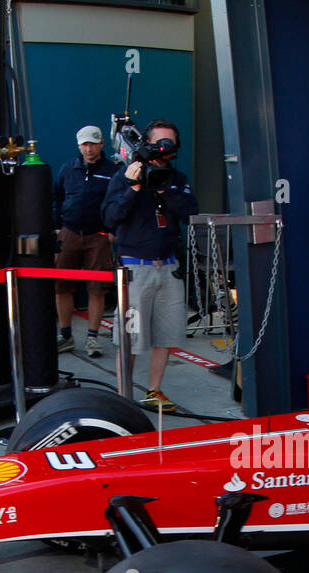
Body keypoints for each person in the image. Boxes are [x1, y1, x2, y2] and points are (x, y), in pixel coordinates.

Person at [101, 119, 198, 412]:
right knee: (130, 337)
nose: (163, 150)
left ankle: (155, 390)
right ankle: (123, 395)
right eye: (159, 143)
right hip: (135, 271)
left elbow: (190, 212)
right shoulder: (124, 175)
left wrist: (165, 189)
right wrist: (133, 187)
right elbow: (109, 218)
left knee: (165, 335)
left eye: (169, 144)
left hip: (168, 269)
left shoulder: (176, 178)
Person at [54, 125, 119, 358]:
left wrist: (112, 231)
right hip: (69, 232)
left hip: (98, 236)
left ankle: (92, 338)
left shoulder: (112, 171)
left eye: (93, 143)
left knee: (97, 289)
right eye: (84, 144)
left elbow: (119, 203)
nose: (88, 149)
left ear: (101, 143)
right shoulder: (67, 169)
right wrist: (57, 228)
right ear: (79, 145)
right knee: (62, 287)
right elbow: (57, 197)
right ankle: (65, 336)